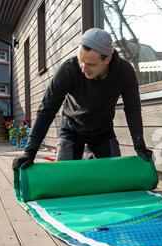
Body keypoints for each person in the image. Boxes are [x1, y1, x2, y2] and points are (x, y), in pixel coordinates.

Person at [12, 28, 153, 170]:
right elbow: (46, 110)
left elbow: (133, 109)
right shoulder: (68, 70)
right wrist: (29, 153)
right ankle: (87, 155)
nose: (83, 68)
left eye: (91, 64)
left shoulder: (125, 72)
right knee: (66, 178)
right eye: (81, 61)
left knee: (113, 175)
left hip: (103, 132)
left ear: (107, 59)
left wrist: (139, 145)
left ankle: (88, 154)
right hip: (71, 130)